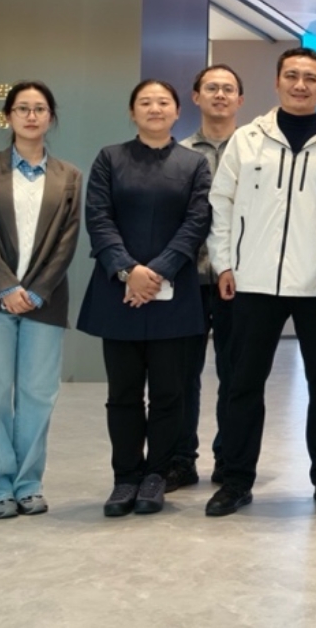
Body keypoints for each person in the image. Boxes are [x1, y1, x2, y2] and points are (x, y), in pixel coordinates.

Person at [204, 47, 316, 518]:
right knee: (242, 383)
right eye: (292, 76)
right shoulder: (247, 140)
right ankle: (235, 479)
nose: (300, 85)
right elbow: (221, 204)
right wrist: (225, 264)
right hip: (253, 281)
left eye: (310, 78)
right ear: (277, 82)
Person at [76, 79, 212, 517]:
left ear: (177, 111)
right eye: (145, 102)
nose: (155, 108)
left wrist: (158, 272)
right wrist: (128, 271)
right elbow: (98, 218)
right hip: (119, 294)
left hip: (174, 294)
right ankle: (125, 477)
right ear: (132, 111)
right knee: (123, 393)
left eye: (163, 102)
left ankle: (156, 475)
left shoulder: (194, 164)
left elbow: (197, 222)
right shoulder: (110, 158)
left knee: (170, 393)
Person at [0, 81, 82, 518]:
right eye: (22, 108)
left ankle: (28, 484)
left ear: (51, 117)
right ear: (8, 116)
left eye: (40, 109)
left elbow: (67, 241)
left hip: (43, 301)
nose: (31, 116)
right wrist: (6, 288)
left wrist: (34, 291)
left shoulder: (69, 175)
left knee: (37, 395)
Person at [171, 63, 245, 491]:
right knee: (183, 376)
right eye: (211, 88)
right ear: (196, 97)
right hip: (189, 279)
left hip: (240, 281)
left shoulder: (255, 151)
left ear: (240, 100)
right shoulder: (178, 154)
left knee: (237, 375)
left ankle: (230, 457)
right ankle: (181, 459)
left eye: (228, 89)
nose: (220, 95)